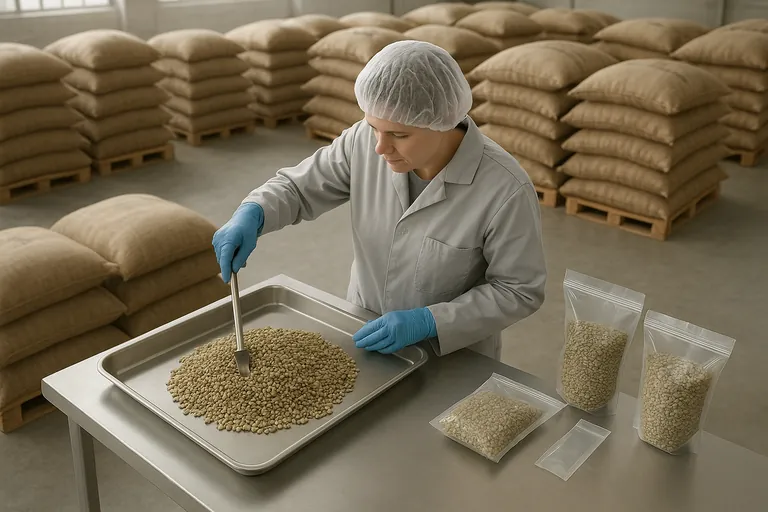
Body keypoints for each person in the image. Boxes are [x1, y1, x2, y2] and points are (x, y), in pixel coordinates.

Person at [212, 40, 546, 361]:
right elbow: (299, 188)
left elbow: (518, 290)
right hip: (364, 327)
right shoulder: (362, 140)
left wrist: (430, 322)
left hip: (449, 355)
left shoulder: (504, 188)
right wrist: (254, 212)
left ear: (441, 123)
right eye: (374, 127)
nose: (380, 147)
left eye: (399, 135)